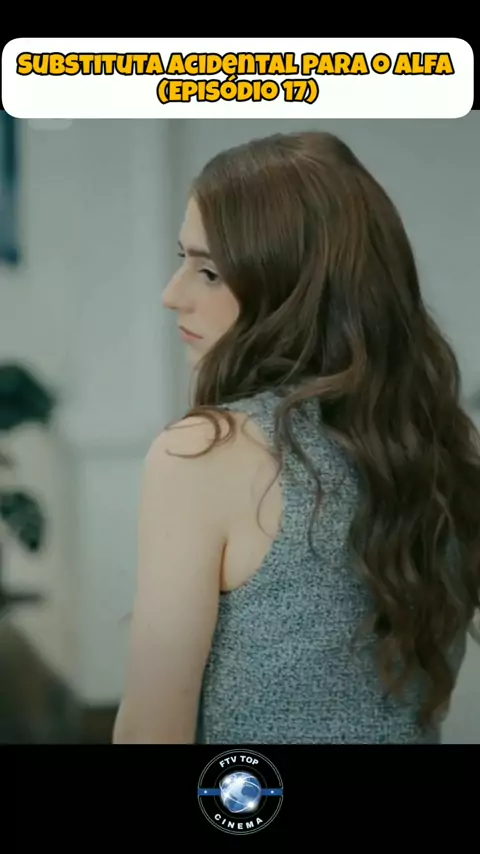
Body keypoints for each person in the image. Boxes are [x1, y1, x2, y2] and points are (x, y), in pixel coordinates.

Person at [112, 130, 480, 745]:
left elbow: (152, 730)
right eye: (183, 260)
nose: (172, 295)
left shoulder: (204, 454)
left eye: (209, 271)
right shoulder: (438, 448)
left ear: (290, 288)